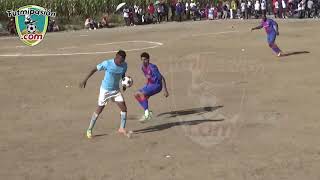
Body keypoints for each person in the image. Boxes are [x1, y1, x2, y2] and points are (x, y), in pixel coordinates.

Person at [80, 50, 128, 138]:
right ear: (116, 56)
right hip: (105, 90)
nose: (120, 62)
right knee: (99, 109)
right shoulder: (107, 63)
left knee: (124, 109)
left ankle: (121, 128)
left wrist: (124, 83)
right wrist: (85, 80)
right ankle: (89, 129)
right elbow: (94, 69)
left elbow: (123, 74)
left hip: (116, 91)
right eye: (120, 60)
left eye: (122, 61)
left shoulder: (124, 65)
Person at [134, 52, 169, 122]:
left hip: (157, 86)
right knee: (136, 95)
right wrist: (146, 86)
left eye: (145, 59)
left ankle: (147, 115)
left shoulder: (153, 68)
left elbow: (161, 78)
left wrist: (165, 90)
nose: (143, 61)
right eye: (142, 60)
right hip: (150, 85)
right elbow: (148, 78)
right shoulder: (143, 68)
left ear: (148, 59)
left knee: (141, 94)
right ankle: (147, 113)